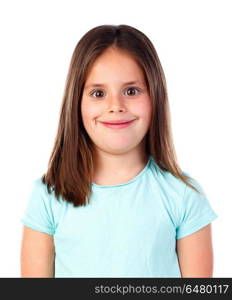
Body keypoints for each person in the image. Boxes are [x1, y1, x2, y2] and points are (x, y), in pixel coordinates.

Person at [20, 24, 218, 278]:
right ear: (76, 103)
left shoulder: (184, 196)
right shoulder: (48, 196)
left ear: (155, 96)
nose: (116, 106)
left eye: (131, 91)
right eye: (98, 93)